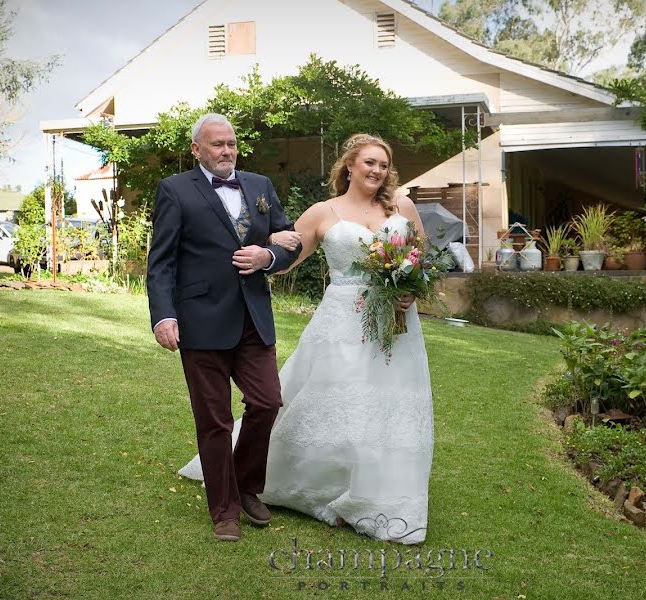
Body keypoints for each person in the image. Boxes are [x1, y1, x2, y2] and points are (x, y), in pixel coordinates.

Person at [181, 133, 434, 544]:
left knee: (390, 407)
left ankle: (379, 495)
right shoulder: (323, 212)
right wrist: (256, 252)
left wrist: (412, 288)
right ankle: (323, 486)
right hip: (343, 324)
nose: (377, 171)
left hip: (396, 324)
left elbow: (422, 257)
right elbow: (282, 258)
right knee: (343, 405)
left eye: (383, 165)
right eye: (369, 162)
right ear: (349, 165)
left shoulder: (401, 206)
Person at [148, 113, 302, 542]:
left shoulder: (260, 187)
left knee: (267, 402)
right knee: (214, 419)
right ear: (197, 149)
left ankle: (245, 484)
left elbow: (290, 240)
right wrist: (164, 315)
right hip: (201, 322)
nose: (227, 151)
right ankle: (224, 510)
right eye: (217, 144)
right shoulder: (175, 191)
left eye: (231, 143)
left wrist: (267, 258)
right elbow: (161, 263)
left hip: (254, 318)